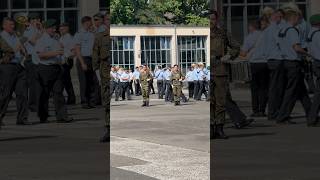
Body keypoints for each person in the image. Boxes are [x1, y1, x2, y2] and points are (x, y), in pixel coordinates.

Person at [210, 10, 254, 139]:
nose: (210, 22)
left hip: (220, 70)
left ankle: (220, 128)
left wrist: (229, 55)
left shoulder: (223, 33)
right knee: (210, 102)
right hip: (207, 71)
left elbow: (236, 47)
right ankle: (212, 128)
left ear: (216, 20)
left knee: (221, 102)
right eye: (208, 19)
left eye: (213, 19)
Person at [275, 9, 311, 124]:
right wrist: (309, 54)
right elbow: (296, 47)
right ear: (293, 18)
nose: (299, 21)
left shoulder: (282, 29)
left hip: (286, 62)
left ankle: (311, 114)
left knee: (302, 91)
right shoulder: (292, 30)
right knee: (291, 91)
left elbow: (278, 44)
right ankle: (282, 116)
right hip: (293, 62)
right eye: (298, 18)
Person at [34, 19, 73, 123]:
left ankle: (62, 116)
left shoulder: (56, 40)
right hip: (45, 69)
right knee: (44, 94)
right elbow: (40, 55)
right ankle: (43, 116)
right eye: (52, 28)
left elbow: (60, 53)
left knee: (58, 92)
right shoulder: (41, 40)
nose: (54, 29)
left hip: (56, 68)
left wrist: (64, 58)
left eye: (54, 28)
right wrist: (54, 53)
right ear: (46, 29)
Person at [0, 17, 31, 127]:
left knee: (22, 93)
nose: (13, 27)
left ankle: (22, 118)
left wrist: (24, 52)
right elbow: (10, 50)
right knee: (6, 94)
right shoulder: (1, 37)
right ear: (4, 26)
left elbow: (21, 48)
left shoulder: (15, 35)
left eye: (13, 25)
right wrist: (18, 47)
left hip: (19, 66)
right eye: (10, 25)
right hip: (7, 67)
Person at [241, 19, 269, 117]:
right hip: (265, 63)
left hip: (254, 64)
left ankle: (255, 110)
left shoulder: (249, 37)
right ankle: (262, 110)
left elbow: (243, 53)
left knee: (254, 88)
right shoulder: (265, 36)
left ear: (251, 27)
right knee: (264, 88)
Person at [74, 16, 100, 109]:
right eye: (90, 22)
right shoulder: (79, 34)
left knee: (92, 81)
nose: (92, 24)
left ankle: (92, 101)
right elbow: (77, 50)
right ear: (86, 23)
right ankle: (84, 102)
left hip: (91, 59)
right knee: (84, 82)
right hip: (83, 59)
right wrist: (82, 63)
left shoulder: (92, 33)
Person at [92, 11, 110, 142]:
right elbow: (95, 57)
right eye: (108, 19)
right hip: (105, 74)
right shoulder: (99, 37)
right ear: (104, 21)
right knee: (107, 103)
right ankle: (109, 128)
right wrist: (98, 75)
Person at [23, 13, 42, 112]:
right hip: (31, 59)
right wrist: (37, 31)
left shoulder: (39, 30)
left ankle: (38, 103)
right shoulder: (28, 31)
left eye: (38, 19)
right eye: (34, 19)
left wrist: (40, 29)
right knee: (33, 83)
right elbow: (34, 42)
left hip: (39, 58)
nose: (36, 21)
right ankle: (33, 105)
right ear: (30, 21)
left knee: (38, 83)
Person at [307, 14, 320, 126]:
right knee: (318, 93)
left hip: (315, 62)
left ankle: (313, 117)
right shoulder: (318, 34)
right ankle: (312, 118)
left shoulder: (311, 33)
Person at [59, 23, 76, 105]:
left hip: (67, 60)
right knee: (64, 80)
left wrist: (68, 57)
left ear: (67, 29)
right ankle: (67, 98)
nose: (61, 31)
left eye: (63, 29)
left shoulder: (69, 38)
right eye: (60, 29)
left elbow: (73, 51)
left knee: (66, 80)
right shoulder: (62, 38)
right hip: (62, 61)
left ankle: (71, 98)